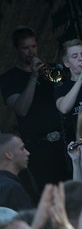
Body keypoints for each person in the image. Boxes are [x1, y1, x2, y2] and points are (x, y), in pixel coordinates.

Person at [0, 27, 66, 187]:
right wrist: (34, 77)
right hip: (38, 147)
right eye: (25, 48)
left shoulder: (51, 70)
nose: (31, 52)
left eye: (33, 46)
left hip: (63, 139)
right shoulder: (9, 78)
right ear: (16, 49)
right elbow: (21, 109)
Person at [0, 134, 33, 210]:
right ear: (9, 155)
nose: (28, 153)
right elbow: (26, 221)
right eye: (22, 148)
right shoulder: (11, 188)